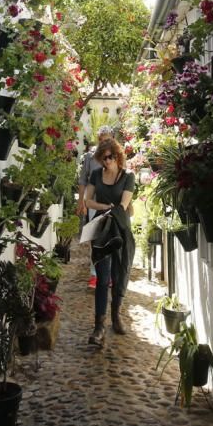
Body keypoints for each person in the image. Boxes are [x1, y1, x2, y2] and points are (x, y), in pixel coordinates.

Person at [83, 137, 136, 347]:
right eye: (102, 158)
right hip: (102, 230)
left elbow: (124, 204)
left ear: (117, 156)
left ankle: (116, 317)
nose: (106, 162)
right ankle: (99, 326)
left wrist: (110, 207)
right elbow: (87, 200)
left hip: (120, 231)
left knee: (118, 274)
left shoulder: (128, 177)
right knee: (102, 278)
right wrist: (104, 207)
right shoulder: (96, 174)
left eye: (109, 157)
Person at [78, 126, 116, 289]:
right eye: (101, 140)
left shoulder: (117, 156)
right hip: (94, 202)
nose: (104, 143)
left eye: (107, 140)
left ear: (112, 139)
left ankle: (110, 274)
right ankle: (95, 275)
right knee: (96, 238)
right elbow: (83, 181)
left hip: (113, 202)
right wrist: (81, 202)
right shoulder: (90, 157)